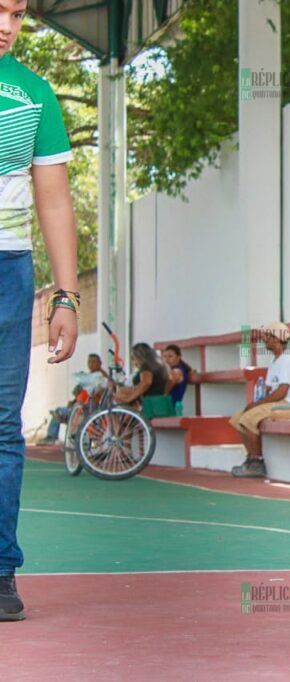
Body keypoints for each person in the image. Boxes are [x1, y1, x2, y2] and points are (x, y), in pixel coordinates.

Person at [0, 0, 80, 622]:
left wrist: (65, 294)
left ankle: (0, 571)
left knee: (3, 427)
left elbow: (54, 202)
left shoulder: (35, 96)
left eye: (18, 14)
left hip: (9, 271)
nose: (7, 25)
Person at [229, 323, 290, 479]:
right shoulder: (275, 361)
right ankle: (251, 458)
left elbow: (281, 392)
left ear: (277, 339)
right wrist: (254, 403)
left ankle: (257, 463)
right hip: (278, 404)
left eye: (268, 336)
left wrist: (257, 405)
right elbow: (268, 388)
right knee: (237, 419)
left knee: (248, 418)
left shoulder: (289, 359)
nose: (264, 340)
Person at [39, 353, 106, 444]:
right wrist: (73, 401)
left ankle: (55, 431)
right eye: (89, 362)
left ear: (100, 363)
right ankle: (52, 435)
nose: (91, 364)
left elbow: (100, 393)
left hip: (87, 410)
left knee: (59, 411)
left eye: (94, 362)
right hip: (77, 407)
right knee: (59, 410)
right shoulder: (86, 377)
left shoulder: (101, 377)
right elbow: (79, 393)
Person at [113, 343, 169, 408]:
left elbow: (146, 383)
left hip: (149, 401)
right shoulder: (158, 365)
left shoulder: (146, 366)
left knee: (119, 395)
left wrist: (129, 398)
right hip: (156, 398)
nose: (133, 361)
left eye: (133, 358)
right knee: (122, 390)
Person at [161, 344, 198, 411]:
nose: (166, 359)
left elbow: (163, 392)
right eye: (164, 356)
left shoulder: (176, 371)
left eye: (170, 356)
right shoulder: (173, 370)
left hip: (170, 409)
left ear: (178, 357)